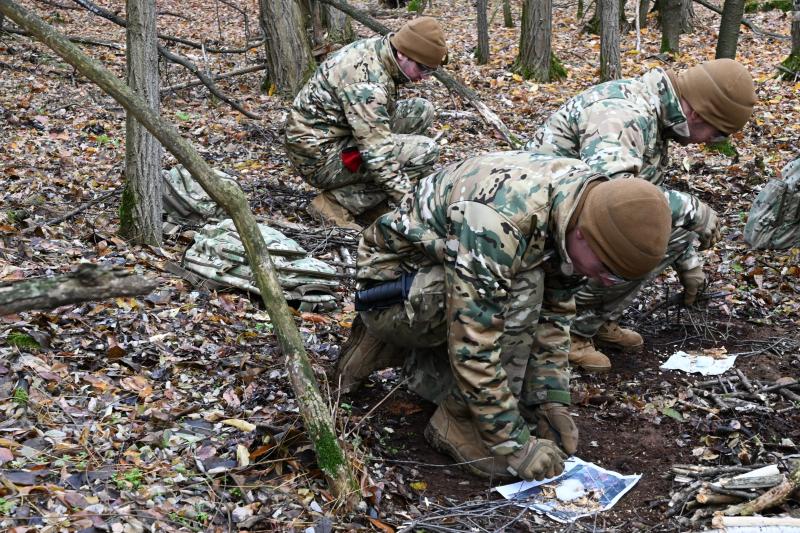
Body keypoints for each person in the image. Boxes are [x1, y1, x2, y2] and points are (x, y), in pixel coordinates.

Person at [337, 152, 673, 480]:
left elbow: (556, 311)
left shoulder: (583, 205)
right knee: (524, 286)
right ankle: (458, 423)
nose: (604, 282)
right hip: (388, 291)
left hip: (438, 276)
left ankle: (395, 350)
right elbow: (475, 340)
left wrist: (548, 400)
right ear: (583, 234)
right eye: (606, 271)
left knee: (529, 283)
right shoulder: (502, 221)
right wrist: (510, 443)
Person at [525, 59, 757, 371]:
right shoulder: (622, 113)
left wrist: (688, 263)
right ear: (698, 115)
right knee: (642, 228)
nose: (707, 144)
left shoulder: (656, 118)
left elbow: (648, 210)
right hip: (539, 235)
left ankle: (597, 319)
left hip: (568, 229)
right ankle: (568, 332)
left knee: (670, 227)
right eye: (716, 135)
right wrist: (693, 209)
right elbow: (613, 203)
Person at [284, 17, 448, 231]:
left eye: (430, 72)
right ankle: (334, 204)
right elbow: (379, 157)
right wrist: (414, 209)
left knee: (420, 110)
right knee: (424, 151)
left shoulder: (380, 50)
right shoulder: (366, 84)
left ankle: (369, 202)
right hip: (318, 156)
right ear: (402, 54)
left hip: (335, 136)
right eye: (423, 69)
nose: (424, 77)